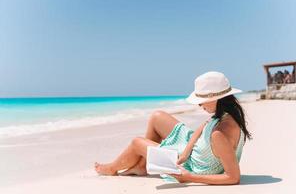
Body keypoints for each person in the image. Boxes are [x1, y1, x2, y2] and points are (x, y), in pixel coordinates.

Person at [94, 71, 252, 185]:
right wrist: (186, 151)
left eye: (201, 100)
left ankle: (112, 168)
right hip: (193, 152)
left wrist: (188, 177)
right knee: (157, 116)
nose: (199, 104)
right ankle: (142, 166)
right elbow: (204, 126)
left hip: (193, 165)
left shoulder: (220, 134)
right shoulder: (229, 114)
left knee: (137, 142)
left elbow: (233, 177)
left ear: (215, 97)